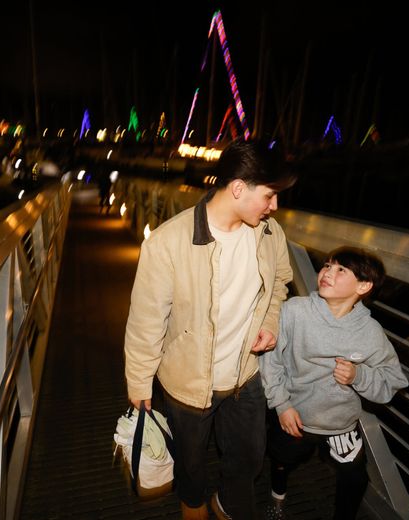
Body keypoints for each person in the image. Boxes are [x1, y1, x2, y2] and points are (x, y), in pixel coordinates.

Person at [124, 138, 296, 519]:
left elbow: (281, 282)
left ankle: (228, 503)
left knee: (250, 458)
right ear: (238, 188)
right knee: (191, 463)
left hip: (245, 375)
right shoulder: (169, 242)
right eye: (269, 196)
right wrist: (139, 383)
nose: (275, 206)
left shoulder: (269, 233)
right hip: (188, 380)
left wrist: (269, 322)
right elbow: (145, 321)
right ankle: (194, 507)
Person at [259, 246, 409, 520]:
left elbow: (393, 380)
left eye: (341, 270)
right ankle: (276, 497)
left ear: (363, 286)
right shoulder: (295, 311)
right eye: (327, 265)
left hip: (340, 425)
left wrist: (358, 376)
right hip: (295, 416)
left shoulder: (370, 332)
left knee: (354, 478)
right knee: (280, 461)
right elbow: (271, 359)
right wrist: (281, 405)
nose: (328, 273)